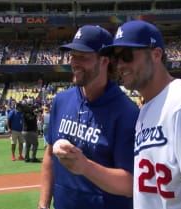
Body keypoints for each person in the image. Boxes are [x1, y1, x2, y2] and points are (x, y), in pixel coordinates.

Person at [100, 20, 181, 209]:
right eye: (116, 58)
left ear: (156, 54)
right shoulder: (147, 107)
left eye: (127, 55)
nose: (120, 64)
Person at [38, 25, 139, 209]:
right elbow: (49, 157)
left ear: (104, 61)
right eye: (73, 56)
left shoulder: (126, 113)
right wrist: (43, 205)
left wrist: (85, 167)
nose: (75, 62)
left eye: (83, 57)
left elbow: (130, 184)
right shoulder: (61, 100)